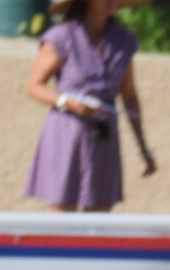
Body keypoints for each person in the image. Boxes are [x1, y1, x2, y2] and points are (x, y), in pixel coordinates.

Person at [24, 0, 156, 214]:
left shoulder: (123, 41)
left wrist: (143, 147)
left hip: (105, 138)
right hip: (67, 134)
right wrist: (67, 102)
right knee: (63, 219)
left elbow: (129, 96)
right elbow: (34, 86)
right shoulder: (62, 37)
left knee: (99, 218)